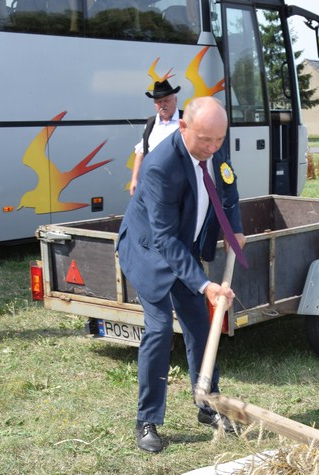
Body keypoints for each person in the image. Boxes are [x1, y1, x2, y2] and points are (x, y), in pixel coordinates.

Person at [116, 97, 247, 453]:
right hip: (148, 250)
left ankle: (207, 405)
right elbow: (164, 239)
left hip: (182, 246)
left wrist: (234, 229)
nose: (213, 147)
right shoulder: (160, 166)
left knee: (200, 328)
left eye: (219, 140)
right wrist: (205, 284)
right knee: (159, 330)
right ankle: (147, 420)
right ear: (183, 127)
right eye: (206, 140)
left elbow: (229, 188)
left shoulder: (214, 148)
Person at [129, 79, 183, 196]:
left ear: (175, 100)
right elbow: (141, 153)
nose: (163, 105)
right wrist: (135, 179)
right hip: (154, 184)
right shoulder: (150, 124)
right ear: (155, 104)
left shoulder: (187, 120)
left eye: (166, 100)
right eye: (159, 102)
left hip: (180, 184)